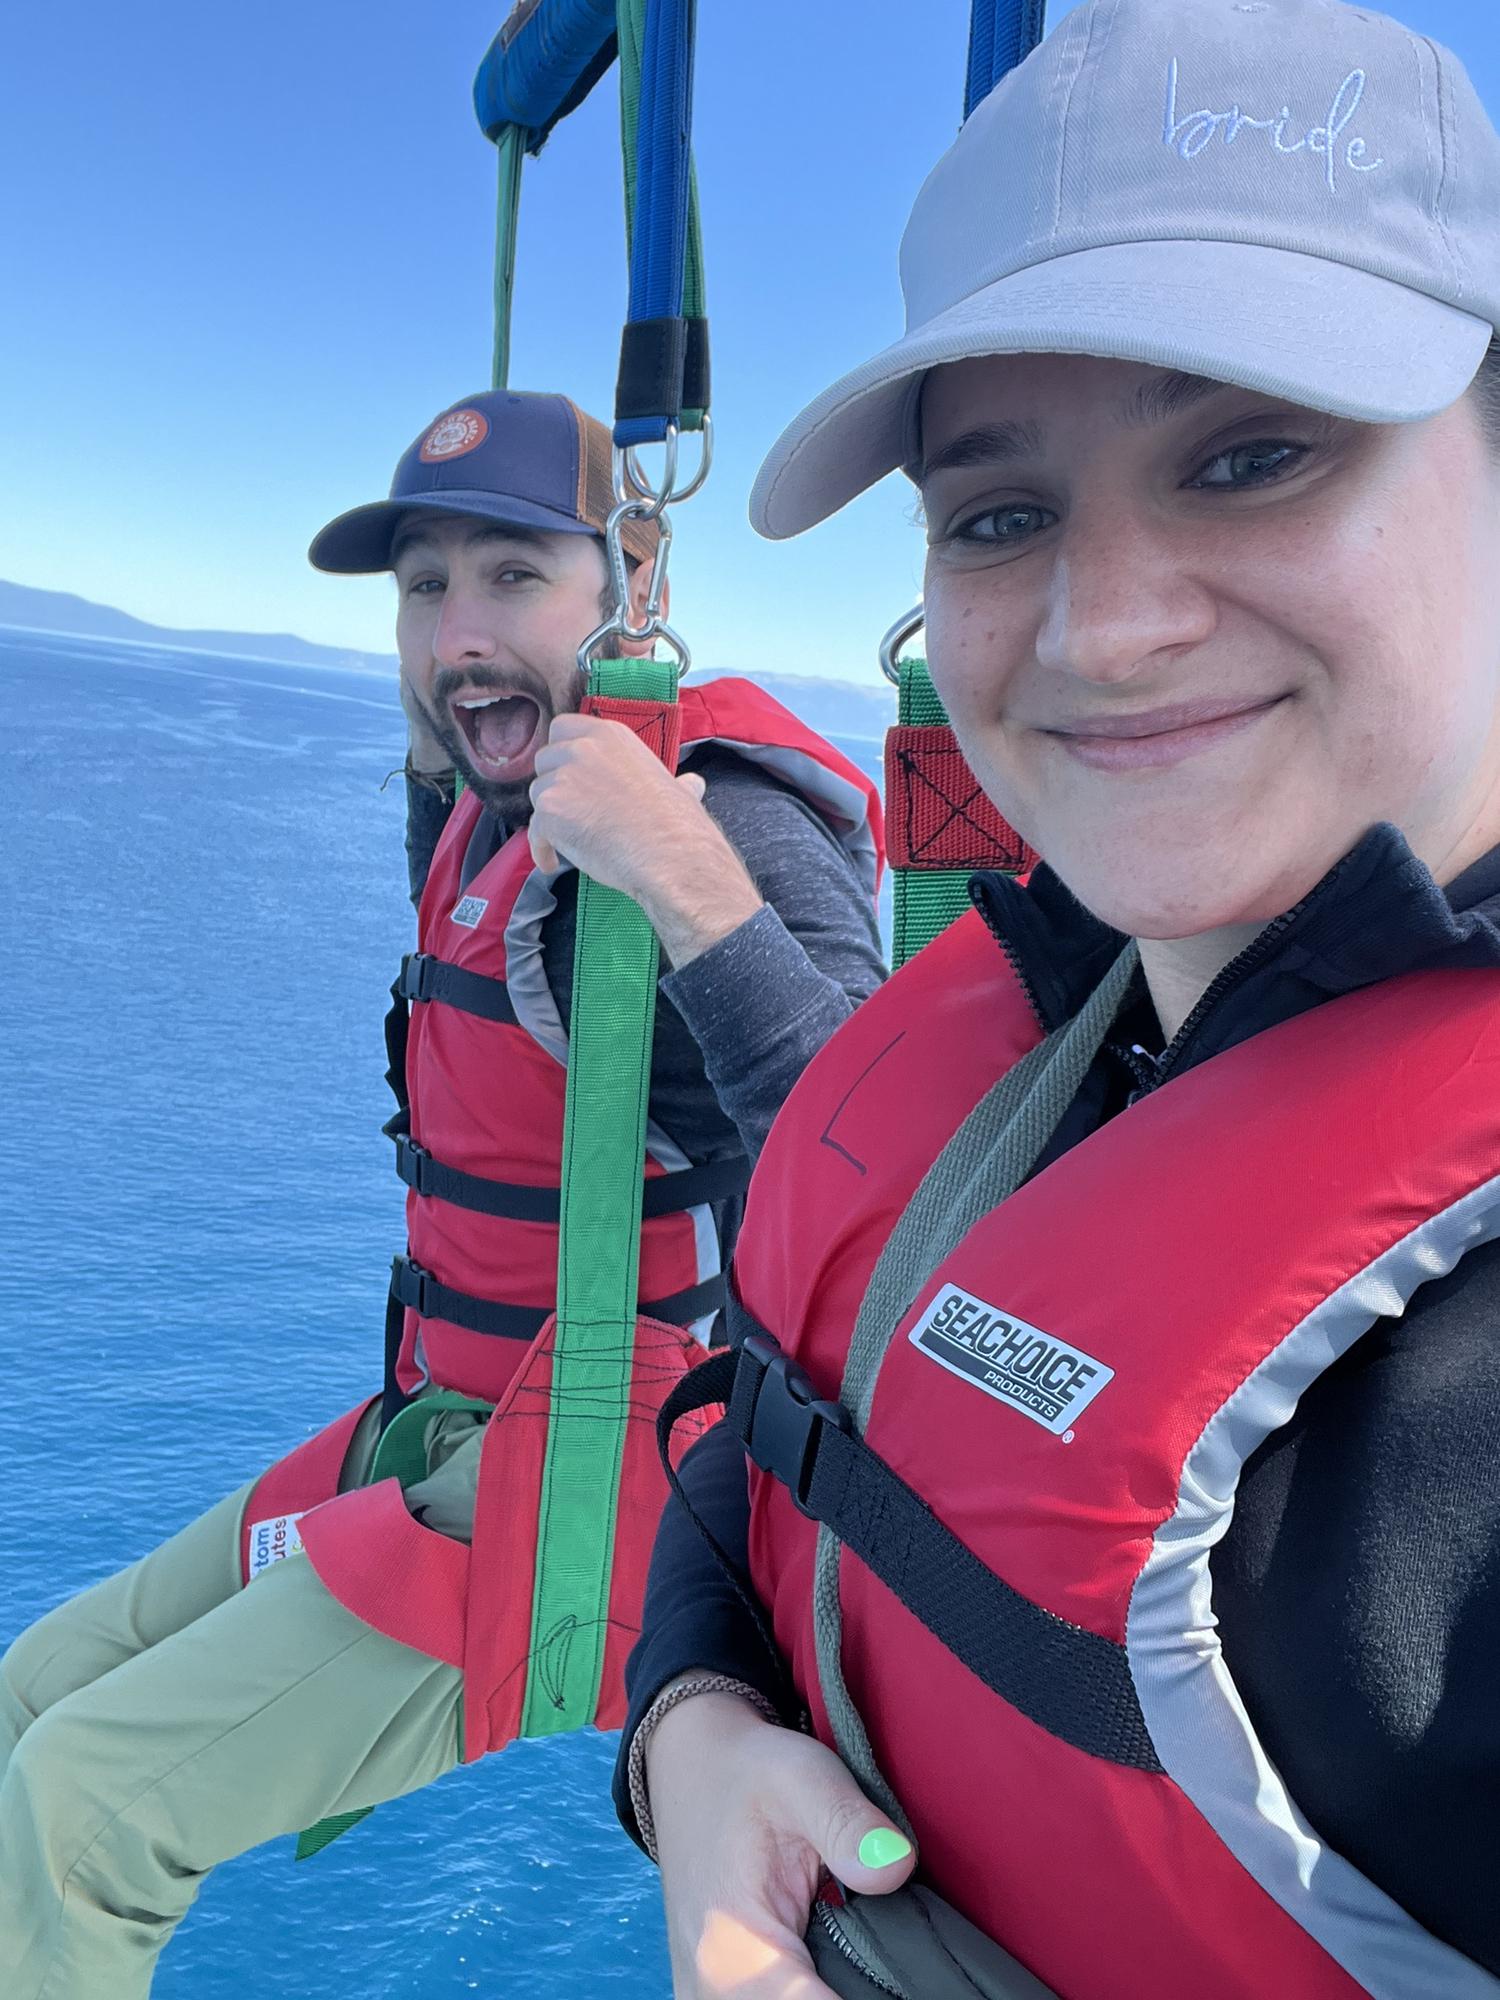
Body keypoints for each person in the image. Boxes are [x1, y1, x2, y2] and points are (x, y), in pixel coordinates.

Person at [619, 2, 1500, 1995]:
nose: (1108, 629)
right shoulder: (1068, 1004)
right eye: (1002, 512)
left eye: (1255, 454)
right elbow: (772, 1418)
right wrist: (690, 1736)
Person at [0, 389, 887, 2000]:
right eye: (426, 590)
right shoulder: (497, 795)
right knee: (32, 1693)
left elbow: (883, 1169)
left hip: (598, 1498)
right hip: (447, 1425)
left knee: (74, 1816)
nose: (461, 632)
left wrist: (676, 868)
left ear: (633, 585)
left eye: (512, 577)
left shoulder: (722, 805)